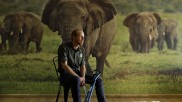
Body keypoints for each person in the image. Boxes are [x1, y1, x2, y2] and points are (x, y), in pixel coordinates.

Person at [58, 29, 106, 102]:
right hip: (65, 76)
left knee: (98, 80)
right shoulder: (63, 47)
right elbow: (64, 66)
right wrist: (78, 77)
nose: (83, 39)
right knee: (76, 80)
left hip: (77, 74)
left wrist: (83, 77)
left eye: (83, 37)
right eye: (81, 37)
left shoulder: (82, 50)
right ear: (73, 37)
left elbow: (83, 66)